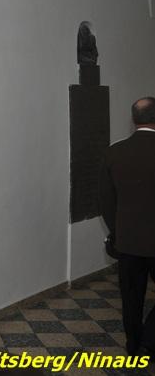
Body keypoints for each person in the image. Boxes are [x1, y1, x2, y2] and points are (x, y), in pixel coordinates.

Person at [99, 96, 155, 356]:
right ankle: (150, 339)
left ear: (133, 120)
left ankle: (133, 346)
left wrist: (118, 231)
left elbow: (106, 201)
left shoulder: (114, 152)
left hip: (128, 241)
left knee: (131, 298)